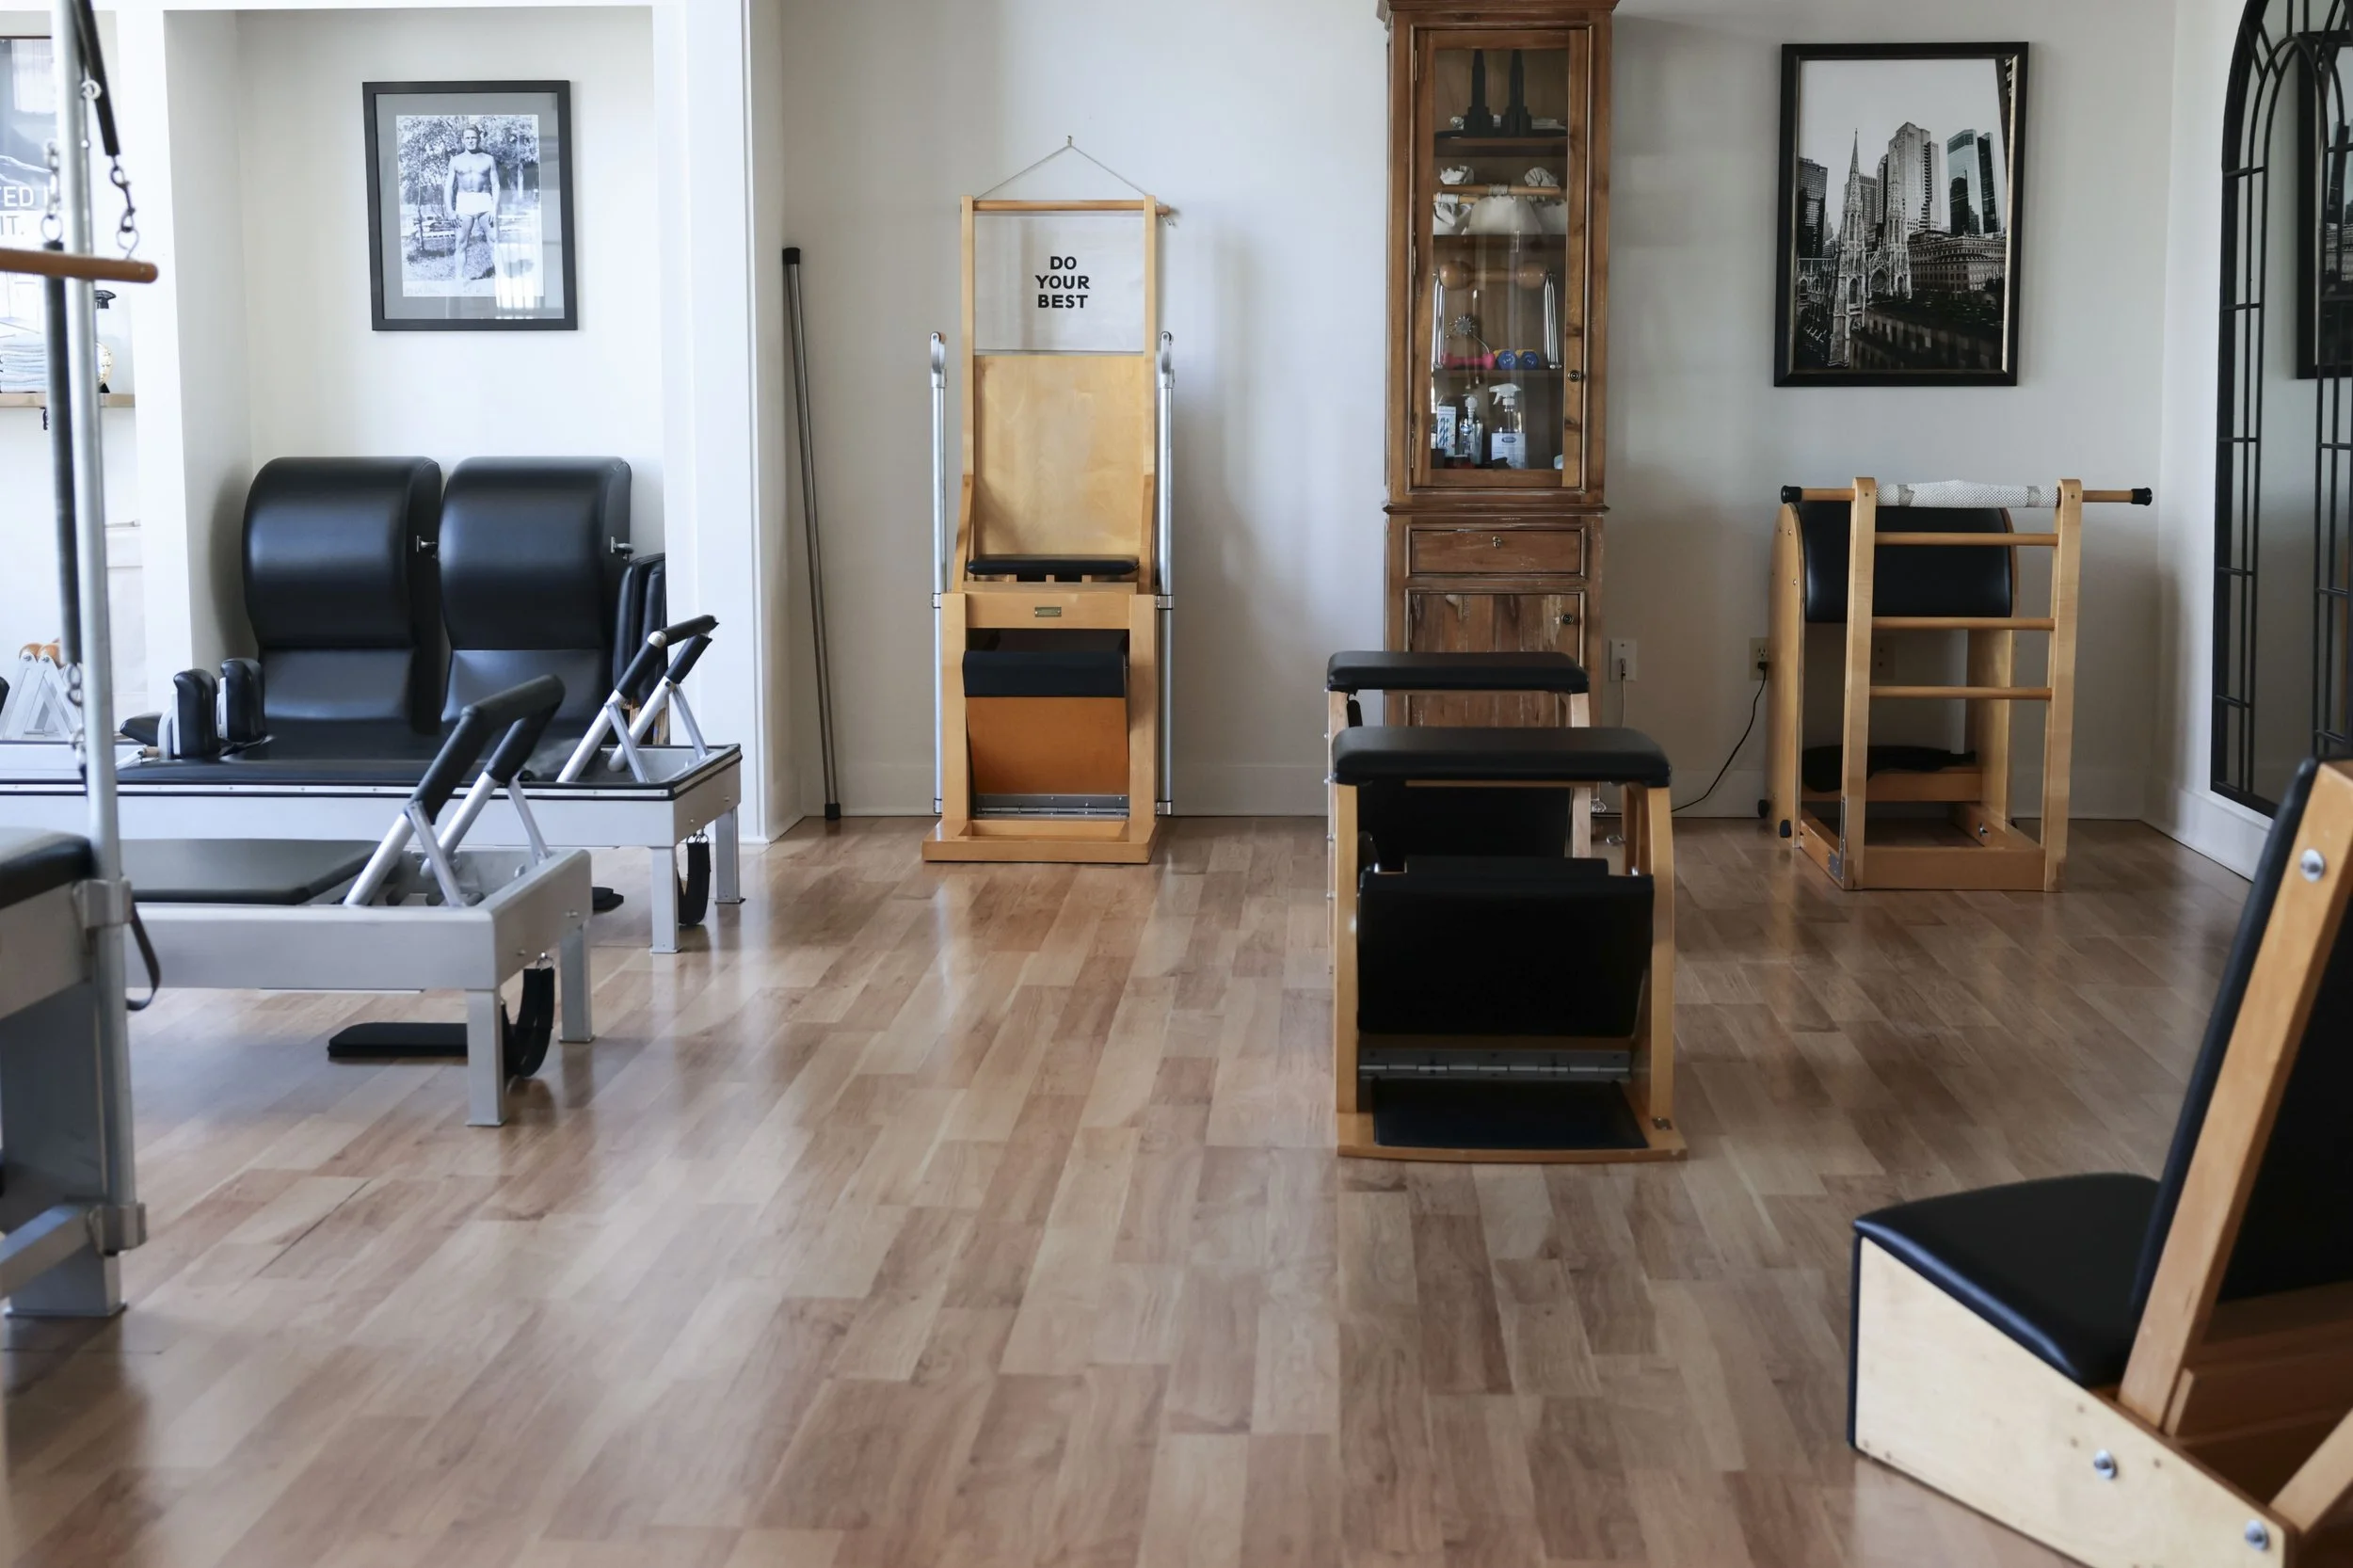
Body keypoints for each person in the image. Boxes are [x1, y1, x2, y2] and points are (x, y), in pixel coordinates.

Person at [443, 123, 501, 284]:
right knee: (461, 242)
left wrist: (495, 209)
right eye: (467, 138)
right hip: (464, 202)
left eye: (473, 137)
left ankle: (501, 277)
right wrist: (450, 210)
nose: (470, 141)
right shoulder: (455, 161)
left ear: (479, 138)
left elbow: (495, 185)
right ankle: (459, 279)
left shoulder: (488, 159)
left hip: (484, 200)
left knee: (494, 240)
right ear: (462, 140)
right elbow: (448, 186)